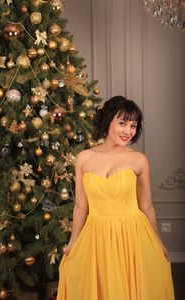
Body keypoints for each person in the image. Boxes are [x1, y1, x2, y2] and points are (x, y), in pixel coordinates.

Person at [57, 95, 175, 300]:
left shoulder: (138, 160)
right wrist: (73, 242)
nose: (128, 131)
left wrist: (158, 241)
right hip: (97, 235)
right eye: (122, 123)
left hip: (132, 235)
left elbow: (146, 205)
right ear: (108, 121)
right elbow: (80, 206)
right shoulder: (84, 158)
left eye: (133, 126)